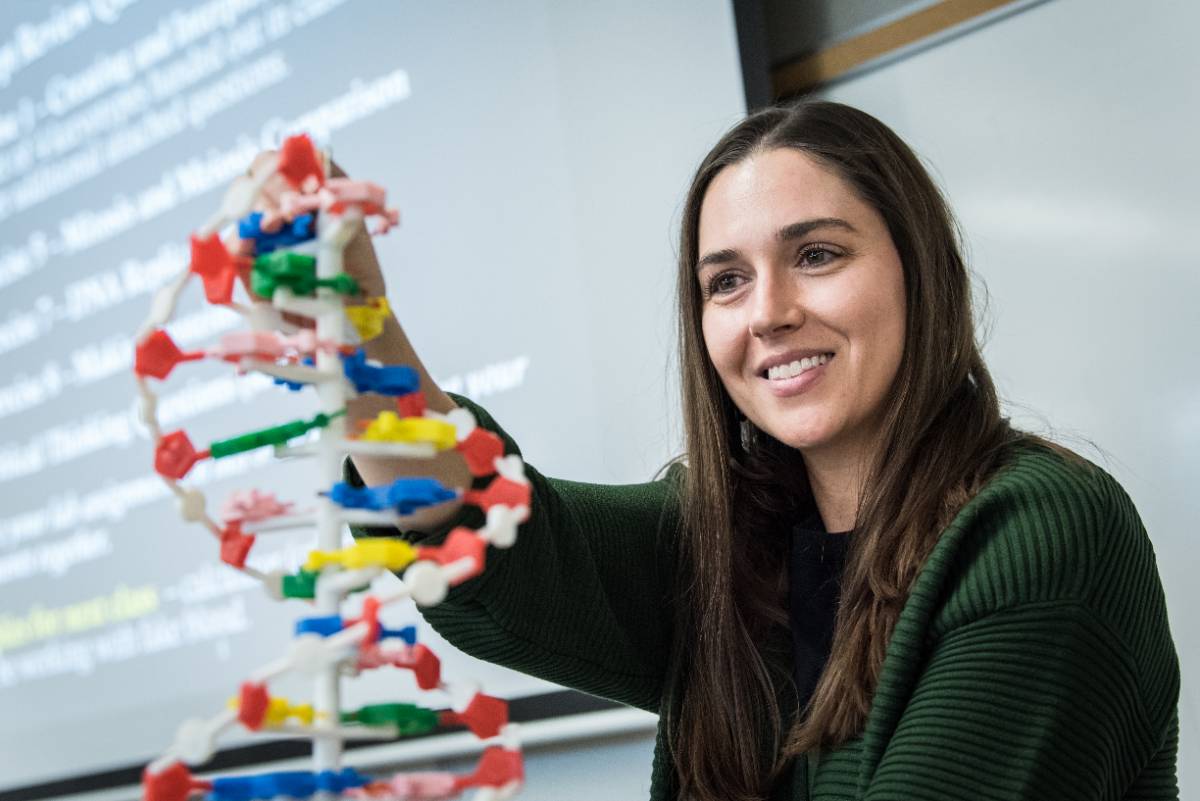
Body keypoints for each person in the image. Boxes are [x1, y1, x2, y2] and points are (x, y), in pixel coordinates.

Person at [243, 101, 1179, 800]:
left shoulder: (1043, 527)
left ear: (918, 267)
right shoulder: (730, 538)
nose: (767, 312)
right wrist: (353, 330)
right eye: (726, 281)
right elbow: (478, 528)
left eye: (817, 254)